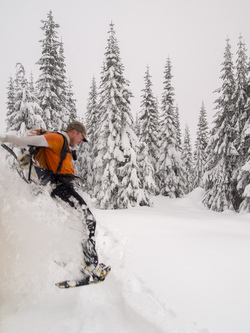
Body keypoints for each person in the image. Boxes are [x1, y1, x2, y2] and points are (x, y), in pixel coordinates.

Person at [0, 121, 99, 273]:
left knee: (77, 222)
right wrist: (4, 137)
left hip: (61, 187)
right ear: (74, 131)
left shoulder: (64, 144)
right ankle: (88, 265)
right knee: (89, 219)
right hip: (60, 188)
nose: (81, 141)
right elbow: (25, 141)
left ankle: (75, 260)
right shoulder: (58, 138)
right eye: (81, 137)